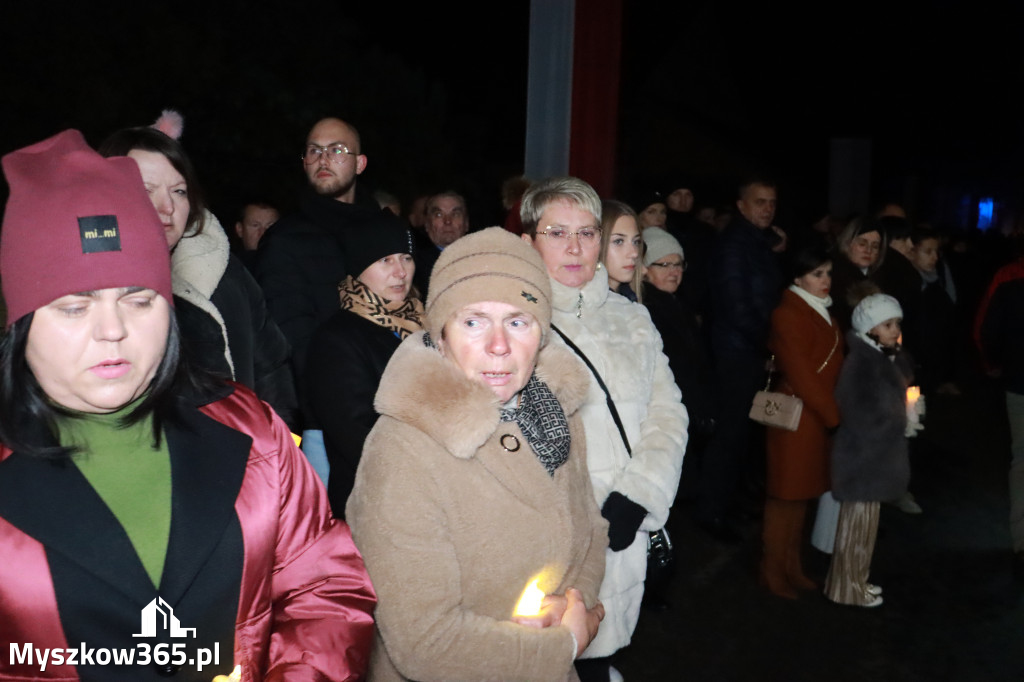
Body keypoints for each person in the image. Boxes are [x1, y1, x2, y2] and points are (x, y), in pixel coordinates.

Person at [0, 130, 375, 681]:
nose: (113, 331)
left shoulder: (253, 433)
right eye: (74, 307)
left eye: (139, 298)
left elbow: (324, 590)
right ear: (23, 322)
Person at [347, 227, 607, 681]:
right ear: (441, 336)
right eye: (473, 321)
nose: (499, 345)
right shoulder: (402, 450)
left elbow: (592, 529)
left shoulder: (555, 415)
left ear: (542, 334)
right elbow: (424, 641)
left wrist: (571, 606)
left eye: (517, 321)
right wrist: (560, 643)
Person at [522, 177, 688, 681]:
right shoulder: (513, 319)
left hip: (626, 526)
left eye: (588, 232)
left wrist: (639, 493)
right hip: (551, 536)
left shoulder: (632, 318)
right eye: (557, 232)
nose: (575, 248)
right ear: (529, 241)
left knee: (602, 649)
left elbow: (669, 413)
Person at [99, 125, 299, 430]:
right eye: (146, 189)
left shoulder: (226, 274)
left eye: (178, 191)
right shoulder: (78, 291)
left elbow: (272, 370)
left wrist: (279, 451)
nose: (167, 208)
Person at [304, 214, 422, 518]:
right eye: (385, 260)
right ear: (358, 266)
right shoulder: (336, 339)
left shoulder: (426, 321)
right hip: (377, 502)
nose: (400, 271)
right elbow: (358, 434)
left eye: (406, 258)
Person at [255, 116, 382, 382]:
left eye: (336, 150)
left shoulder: (385, 234)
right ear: (304, 163)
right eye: (314, 151)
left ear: (360, 164)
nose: (323, 160)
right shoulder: (284, 241)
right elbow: (291, 346)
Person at [699, 178, 783, 541]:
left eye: (772, 203)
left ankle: (729, 502)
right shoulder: (736, 246)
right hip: (737, 352)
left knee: (743, 433)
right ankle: (712, 512)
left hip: (747, 347)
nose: (767, 208)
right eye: (760, 202)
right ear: (742, 206)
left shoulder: (757, 243)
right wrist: (771, 344)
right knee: (730, 434)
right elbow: (737, 307)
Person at [761, 246, 843, 599]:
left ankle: (791, 566)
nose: (825, 281)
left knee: (801, 496)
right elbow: (802, 374)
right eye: (817, 274)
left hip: (813, 415)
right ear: (797, 278)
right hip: (797, 415)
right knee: (784, 498)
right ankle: (771, 570)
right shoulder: (789, 313)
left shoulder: (818, 309)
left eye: (827, 273)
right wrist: (834, 417)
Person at [825, 294, 913, 607]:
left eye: (897, 323)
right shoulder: (862, 362)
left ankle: (854, 581)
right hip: (863, 459)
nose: (895, 330)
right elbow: (857, 411)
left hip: (873, 459)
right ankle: (847, 588)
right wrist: (900, 420)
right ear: (870, 327)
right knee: (856, 531)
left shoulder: (883, 356)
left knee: (864, 529)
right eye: (888, 324)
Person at [974, 239, 1024, 580]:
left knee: (1022, 460)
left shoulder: (1010, 275)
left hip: (1019, 380)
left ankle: (1022, 543)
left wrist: (993, 363)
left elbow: (985, 328)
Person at [830, 217, 887, 331]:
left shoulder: (882, 277)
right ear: (847, 243)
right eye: (862, 244)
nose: (868, 250)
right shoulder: (833, 275)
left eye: (875, 246)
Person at [412, 190, 470, 299]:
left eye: (455, 214)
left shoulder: (482, 261)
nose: (447, 221)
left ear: (466, 223)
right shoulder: (413, 268)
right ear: (427, 225)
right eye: (439, 214)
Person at [599, 199, 644, 303]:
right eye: (618, 241)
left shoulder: (631, 300)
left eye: (636, 242)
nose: (634, 253)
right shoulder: (580, 309)